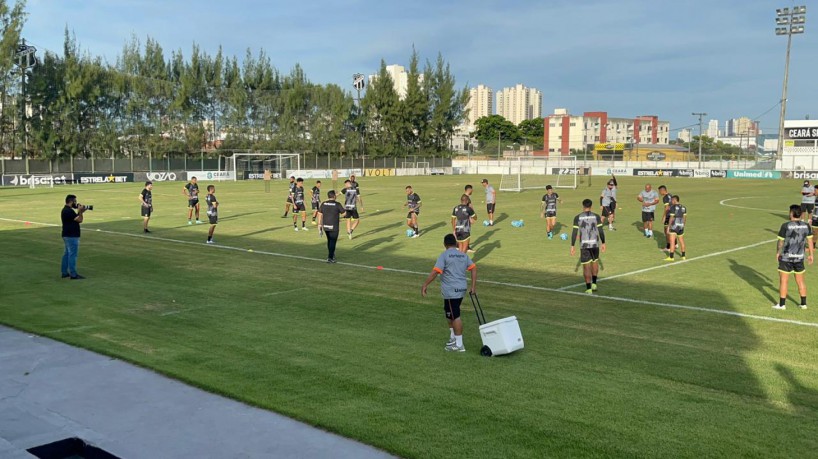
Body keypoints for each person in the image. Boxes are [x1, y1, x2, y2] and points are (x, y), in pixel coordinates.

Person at [421, 233, 477, 353]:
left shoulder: (444, 255)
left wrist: (425, 284)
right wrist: (473, 286)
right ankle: (453, 338)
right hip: (460, 289)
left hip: (452, 291)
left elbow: (436, 272)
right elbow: (473, 268)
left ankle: (459, 345)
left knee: (455, 315)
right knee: (449, 313)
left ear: (444, 244)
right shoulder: (463, 255)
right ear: (456, 243)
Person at [773, 204, 814, 310]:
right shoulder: (806, 226)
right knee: (801, 281)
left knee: (784, 281)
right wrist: (811, 255)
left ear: (791, 213)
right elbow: (810, 240)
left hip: (786, 258)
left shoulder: (786, 225)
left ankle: (782, 305)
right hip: (799, 258)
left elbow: (781, 241)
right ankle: (803, 304)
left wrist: (778, 252)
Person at [570, 199, 606, 294]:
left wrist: (572, 245)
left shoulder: (577, 217)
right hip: (595, 244)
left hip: (584, 245)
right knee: (595, 262)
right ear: (591, 206)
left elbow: (574, 233)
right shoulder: (596, 216)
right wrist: (603, 243)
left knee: (586, 267)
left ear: (583, 206)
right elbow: (601, 231)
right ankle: (594, 283)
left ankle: (589, 288)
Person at [61, 194, 87, 279]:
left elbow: (74, 219)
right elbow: (80, 220)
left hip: (67, 234)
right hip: (71, 235)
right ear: (71, 201)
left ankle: (64, 272)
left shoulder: (65, 210)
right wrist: (80, 212)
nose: (76, 203)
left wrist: (80, 212)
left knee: (67, 254)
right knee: (72, 255)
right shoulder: (69, 211)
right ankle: (73, 274)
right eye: (75, 201)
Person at [317, 189, 346, 263]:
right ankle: (330, 258)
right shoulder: (337, 204)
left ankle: (331, 254)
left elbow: (319, 214)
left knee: (329, 241)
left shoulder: (323, 204)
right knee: (333, 241)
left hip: (325, 225)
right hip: (334, 226)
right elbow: (344, 214)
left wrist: (319, 224)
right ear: (334, 196)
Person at [664, 195, 686, 261]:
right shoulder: (684, 207)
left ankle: (671, 257)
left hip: (674, 226)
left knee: (672, 242)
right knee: (682, 241)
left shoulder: (673, 207)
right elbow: (684, 218)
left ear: (674, 200)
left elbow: (671, 218)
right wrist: (683, 225)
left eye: (672, 200)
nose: (671, 202)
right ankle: (683, 256)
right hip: (681, 226)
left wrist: (668, 227)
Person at [658, 185, 672, 252]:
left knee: (666, 231)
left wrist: (664, 217)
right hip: (673, 215)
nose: (659, 193)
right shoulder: (670, 195)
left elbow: (666, 208)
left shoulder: (665, 198)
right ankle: (675, 244)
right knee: (671, 230)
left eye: (659, 191)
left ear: (662, 190)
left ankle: (668, 247)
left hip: (668, 215)